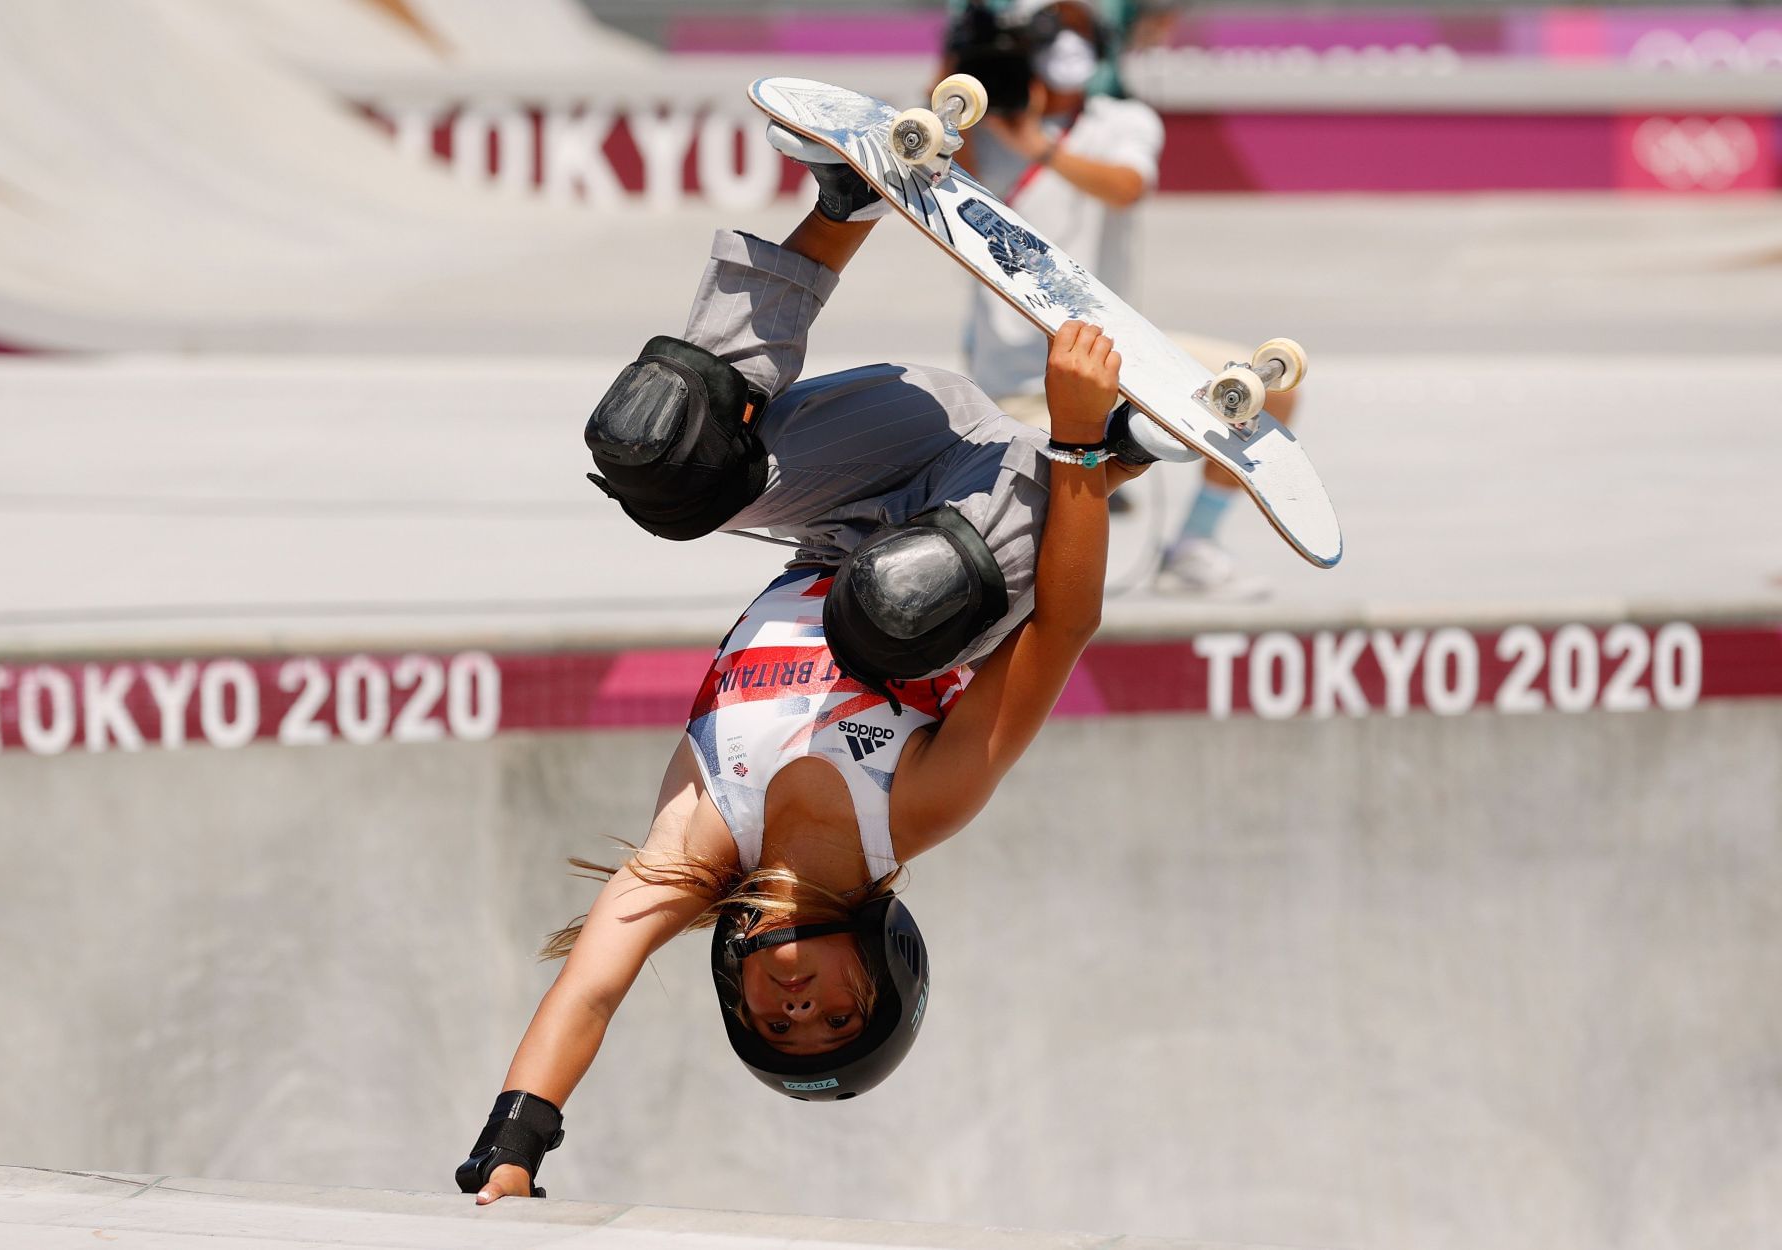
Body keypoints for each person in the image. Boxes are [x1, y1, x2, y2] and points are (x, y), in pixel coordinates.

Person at [454, 130, 1192, 1203]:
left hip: (874, 465)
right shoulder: (918, 808)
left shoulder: (690, 847)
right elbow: (1058, 634)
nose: (796, 997)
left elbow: (592, 988)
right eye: (834, 1012)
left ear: (735, 989)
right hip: (996, 518)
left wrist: (509, 1158)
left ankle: (842, 208)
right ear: (882, 970)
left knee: (656, 448)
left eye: (776, 1017)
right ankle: (1121, 441)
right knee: (896, 610)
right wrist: (1080, 457)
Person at [946, 0, 1305, 600]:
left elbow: (1128, 186)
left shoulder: (1125, 121)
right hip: (1013, 374)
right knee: (1022, 551)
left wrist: (1041, 147)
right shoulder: (983, 129)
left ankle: (1193, 545)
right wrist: (964, 77)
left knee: (1268, 388)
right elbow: (931, 152)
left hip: (1118, 357)